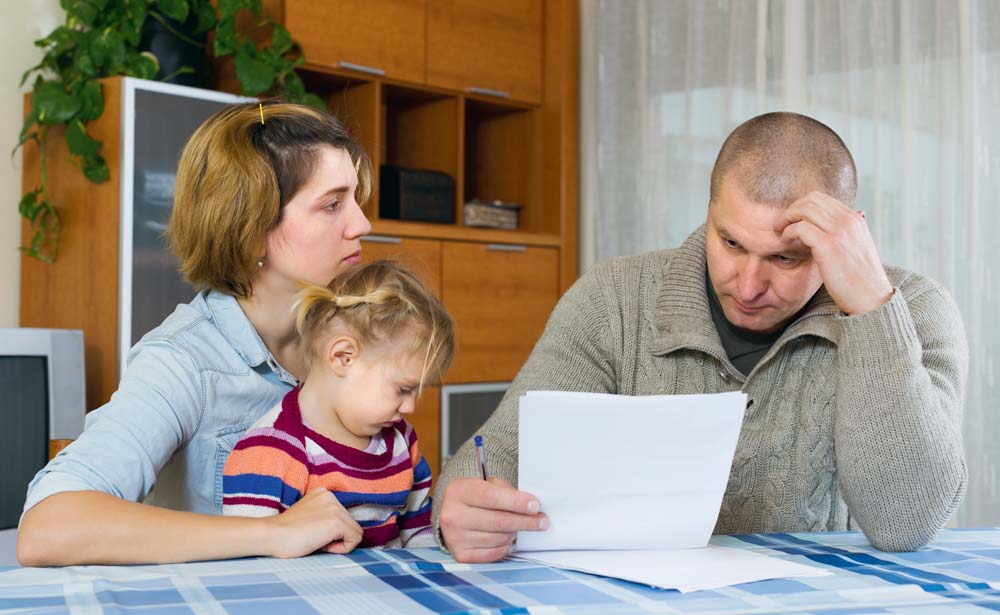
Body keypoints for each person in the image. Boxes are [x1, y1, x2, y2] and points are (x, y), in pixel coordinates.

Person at [433, 111, 968, 563]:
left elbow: (908, 523)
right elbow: (486, 463)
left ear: (847, 233)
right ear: (710, 211)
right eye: (731, 243)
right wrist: (460, 512)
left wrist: (873, 308)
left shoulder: (915, 310)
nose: (751, 285)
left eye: (787, 257)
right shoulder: (613, 299)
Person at [17, 101, 377, 565]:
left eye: (355, 199)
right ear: (251, 228)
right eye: (332, 204)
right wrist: (269, 533)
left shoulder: (356, 336)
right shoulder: (183, 362)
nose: (362, 224)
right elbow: (48, 526)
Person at [221, 260, 454, 549]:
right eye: (403, 389)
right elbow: (249, 553)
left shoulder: (402, 442)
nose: (409, 407)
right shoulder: (269, 453)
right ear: (343, 357)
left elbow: (419, 531)